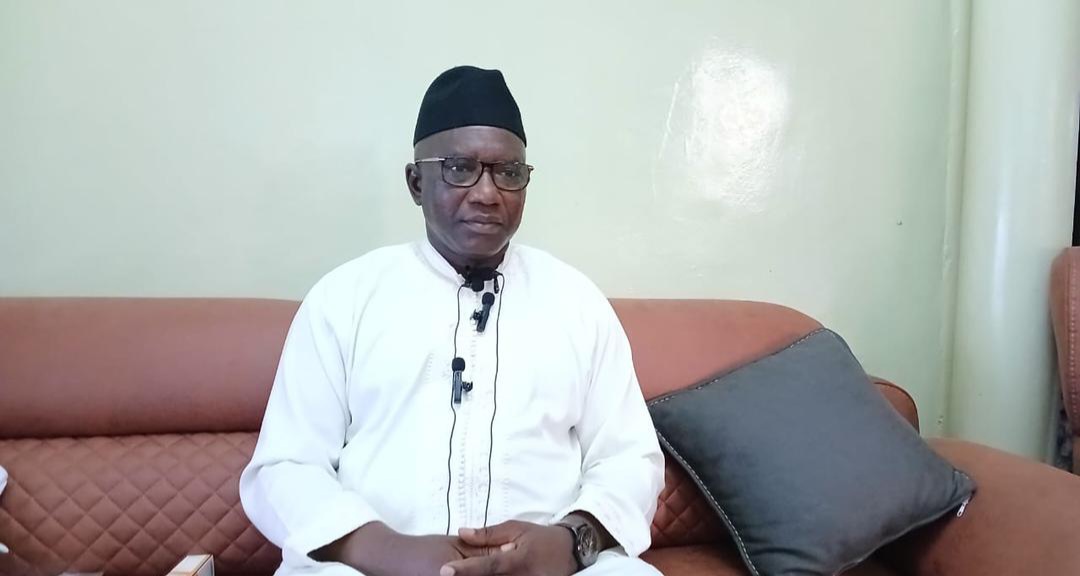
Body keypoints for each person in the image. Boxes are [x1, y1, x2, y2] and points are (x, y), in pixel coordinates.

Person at [240, 65, 665, 576]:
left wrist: (570, 542)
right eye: (460, 168)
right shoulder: (344, 298)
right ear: (416, 182)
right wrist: (385, 550)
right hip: (375, 569)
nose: (487, 193)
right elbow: (286, 466)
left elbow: (629, 460)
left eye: (508, 172)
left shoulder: (577, 302)